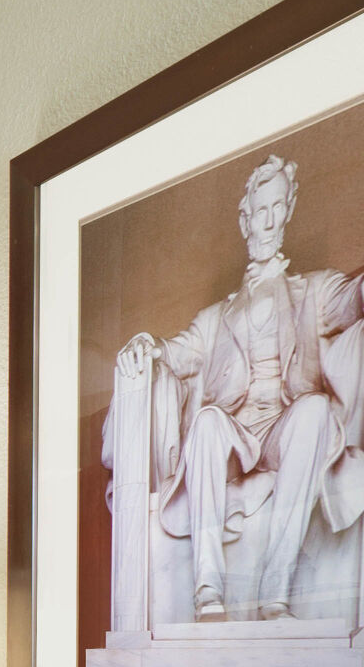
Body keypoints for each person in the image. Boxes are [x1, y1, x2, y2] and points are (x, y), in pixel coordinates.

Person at [117, 153, 364, 620]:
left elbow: (354, 299)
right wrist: (150, 345)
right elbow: (178, 350)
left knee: (314, 408)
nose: (268, 222)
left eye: (277, 207)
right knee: (208, 421)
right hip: (236, 438)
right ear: (244, 219)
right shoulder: (216, 317)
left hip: (287, 431)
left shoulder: (314, 290)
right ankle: (208, 589)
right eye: (259, 210)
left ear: (288, 211)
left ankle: (275, 591)